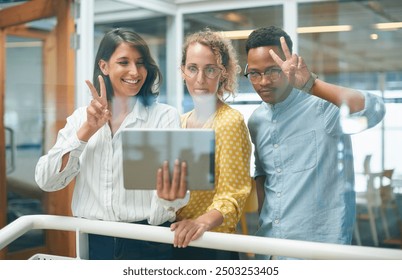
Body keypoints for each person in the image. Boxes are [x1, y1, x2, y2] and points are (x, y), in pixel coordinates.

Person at [35, 28, 188, 260]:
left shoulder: (164, 116)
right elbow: (46, 180)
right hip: (95, 240)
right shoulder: (80, 118)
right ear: (104, 66)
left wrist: (171, 195)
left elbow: (178, 191)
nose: (134, 72)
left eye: (140, 63)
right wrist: (87, 131)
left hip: (148, 239)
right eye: (123, 62)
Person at [244, 26, 385, 259]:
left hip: (316, 249)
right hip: (269, 248)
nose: (263, 82)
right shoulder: (257, 120)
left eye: (273, 71)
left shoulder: (321, 106)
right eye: (255, 74)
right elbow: (263, 177)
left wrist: (312, 84)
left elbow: (375, 109)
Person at [167, 28, 252, 260]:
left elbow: (233, 194)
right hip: (176, 238)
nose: (200, 79)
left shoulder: (230, 122)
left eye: (210, 69)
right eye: (192, 68)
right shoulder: (179, 122)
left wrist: (201, 222)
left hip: (211, 243)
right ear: (183, 71)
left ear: (223, 74)